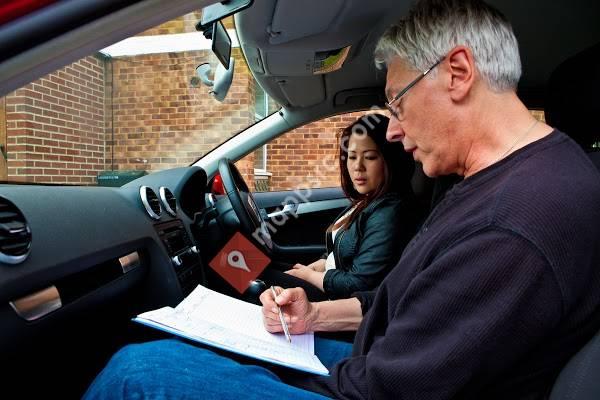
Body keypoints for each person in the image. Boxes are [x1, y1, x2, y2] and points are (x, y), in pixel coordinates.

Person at [83, 0, 600, 399]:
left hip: (374, 386)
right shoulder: (506, 183)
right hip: (379, 366)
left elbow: (384, 391)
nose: (392, 130)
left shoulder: (517, 221)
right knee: (189, 350)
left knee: (139, 373)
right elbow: (412, 306)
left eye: (396, 101)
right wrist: (314, 318)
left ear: (458, 73)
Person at [259, 114, 417, 302]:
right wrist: (318, 266)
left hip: (334, 298)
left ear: (390, 160)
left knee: (243, 271)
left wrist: (309, 276)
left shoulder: (389, 211)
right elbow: (341, 252)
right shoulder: (368, 200)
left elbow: (359, 284)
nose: (358, 167)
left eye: (370, 157)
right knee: (247, 265)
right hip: (328, 281)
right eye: (352, 157)